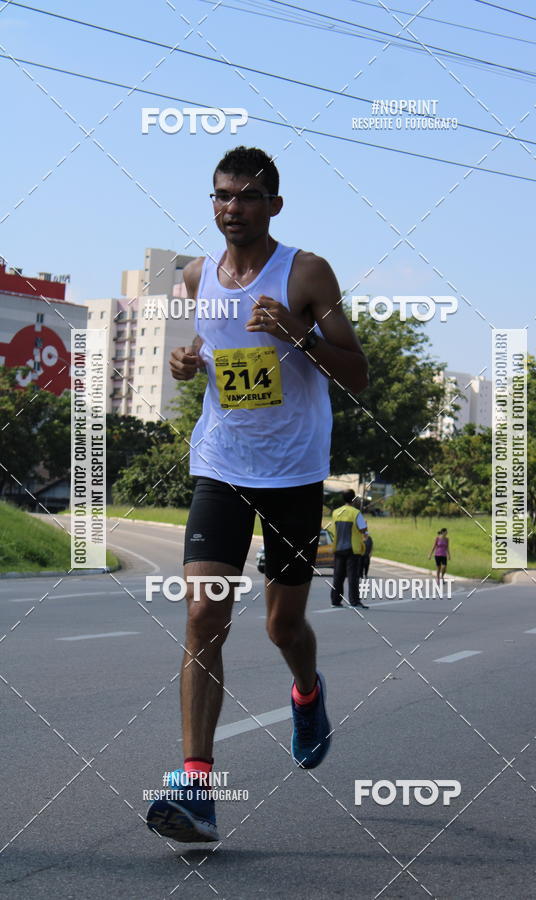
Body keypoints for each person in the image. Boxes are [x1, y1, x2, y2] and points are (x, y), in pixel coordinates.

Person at [145, 146, 368, 843]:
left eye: (244, 197)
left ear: (274, 204)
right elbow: (204, 359)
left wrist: (299, 334)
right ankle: (196, 787)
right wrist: (184, 367)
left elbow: (358, 373)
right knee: (203, 617)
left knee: (281, 627)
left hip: (294, 473)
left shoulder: (306, 271)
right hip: (221, 465)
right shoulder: (192, 275)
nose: (230, 208)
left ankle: (306, 691)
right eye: (220, 196)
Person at [329, 490, 369, 608]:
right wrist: (366, 527)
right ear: (353, 499)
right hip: (352, 549)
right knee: (353, 577)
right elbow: (363, 530)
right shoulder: (356, 513)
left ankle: (335, 601)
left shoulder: (335, 512)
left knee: (338, 576)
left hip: (338, 547)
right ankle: (354, 601)